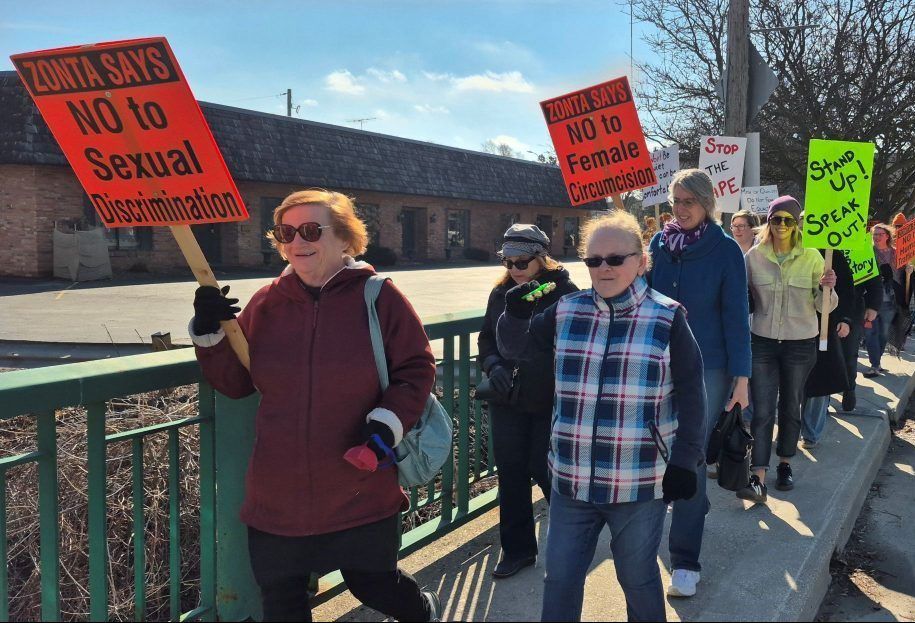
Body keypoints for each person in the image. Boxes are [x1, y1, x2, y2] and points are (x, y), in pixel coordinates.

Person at [188, 189, 441, 622]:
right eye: (285, 232)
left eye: (310, 230)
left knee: (374, 583)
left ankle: (422, 611)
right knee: (282, 602)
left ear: (345, 239)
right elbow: (235, 383)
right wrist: (208, 331)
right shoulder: (267, 303)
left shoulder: (379, 297)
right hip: (278, 493)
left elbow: (416, 369)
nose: (296, 241)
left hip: (357, 483)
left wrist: (386, 424)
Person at [498, 211, 706, 622]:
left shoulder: (668, 317)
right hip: (570, 480)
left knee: (638, 578)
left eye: (616, 259)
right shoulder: (564, 311)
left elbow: (693, 395)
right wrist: (516, 316)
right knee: (559, 579)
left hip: (637, 482)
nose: (604, 268)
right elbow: (516, 348)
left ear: (641, 261)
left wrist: (686, 460)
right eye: (594, 261)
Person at [646, 168, 751, 598]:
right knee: (654, 452)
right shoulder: (658, 244)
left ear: (707, 203)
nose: (680, 209)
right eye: (675, 200)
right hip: (658, 361)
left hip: (709, 365)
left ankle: (685, 560)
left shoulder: (726, 250)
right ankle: (670, 519)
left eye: (689, 201)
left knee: (687, 456)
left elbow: (735, 316)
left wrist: (741, 378)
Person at [477, 224, 579, 578]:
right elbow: (486, 340)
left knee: (546, 469)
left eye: (523, 261)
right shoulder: (502, 292)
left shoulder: (565, 292)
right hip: (508, 398)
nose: (515, 269)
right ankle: (517, 550)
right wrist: (493, 366)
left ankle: (572, 540)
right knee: (511, 473)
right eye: (509, 262)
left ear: (541, 257)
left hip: (550, 398)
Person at [740, 196, 837, 503]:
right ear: (768, 222)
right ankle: (758, 474)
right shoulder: (753, 257)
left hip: (800, 343)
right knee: (763, 409)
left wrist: (828, 288)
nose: (781, 225)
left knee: (791, 405)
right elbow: (742, 299)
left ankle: (785, 463)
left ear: (797, 224)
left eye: (788, 220)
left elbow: (826, 308)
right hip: (763, 342)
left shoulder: (812, 257)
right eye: (776, 219)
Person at [800, 248, 855, 448]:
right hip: (792, 329)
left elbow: (848, 292)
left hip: (823, 328)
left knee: (819, 380)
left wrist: (845, 320)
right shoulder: (789, 250)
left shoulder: (833, 255)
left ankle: (810, 433)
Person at [864, 224, 914, 375]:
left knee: (883, 334)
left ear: (887, 236)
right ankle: (875, 364)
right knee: (870, 333)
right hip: (870, 301)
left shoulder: (897, 254)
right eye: (874, 234)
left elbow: (903, 278)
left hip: (890, 303)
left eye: (880, 234)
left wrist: (909, 271)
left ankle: (876, 363)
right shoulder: (867, 252)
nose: (876, 237)